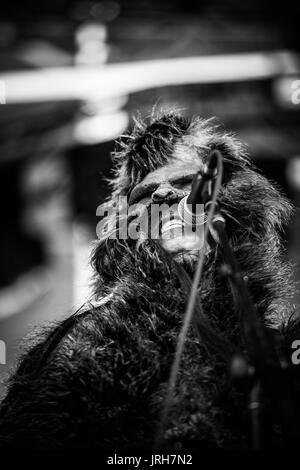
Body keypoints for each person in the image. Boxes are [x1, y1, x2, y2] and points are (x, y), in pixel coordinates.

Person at [0, 110, 299, 450]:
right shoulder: (86, 345)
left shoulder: (279, 353)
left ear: (232, 208)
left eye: (186, 183)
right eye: (146, 195)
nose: (165, 196)